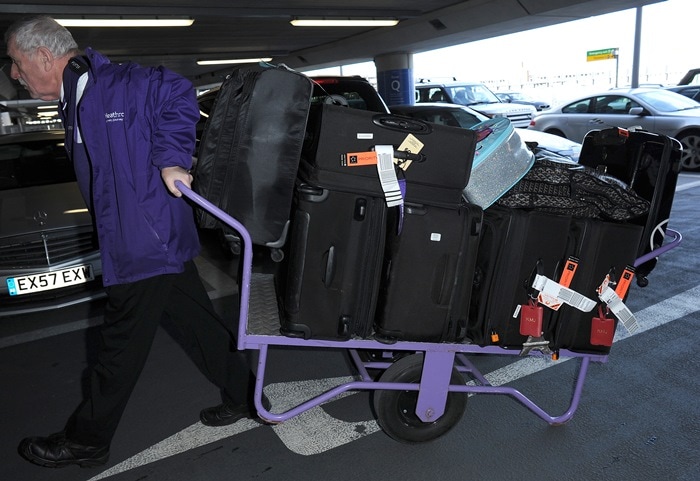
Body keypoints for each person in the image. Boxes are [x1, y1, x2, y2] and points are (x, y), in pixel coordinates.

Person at [5, 15, 267, 469]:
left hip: (142, 242)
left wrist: (170, 158)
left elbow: (178, 92)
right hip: (144, 235)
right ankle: (247, 396)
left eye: (15, 62)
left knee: (117, 349)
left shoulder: (117, 83)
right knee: (198, 325)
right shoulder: (77, 98)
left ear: (43, 56)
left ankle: (87, 441)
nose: (12, 73)